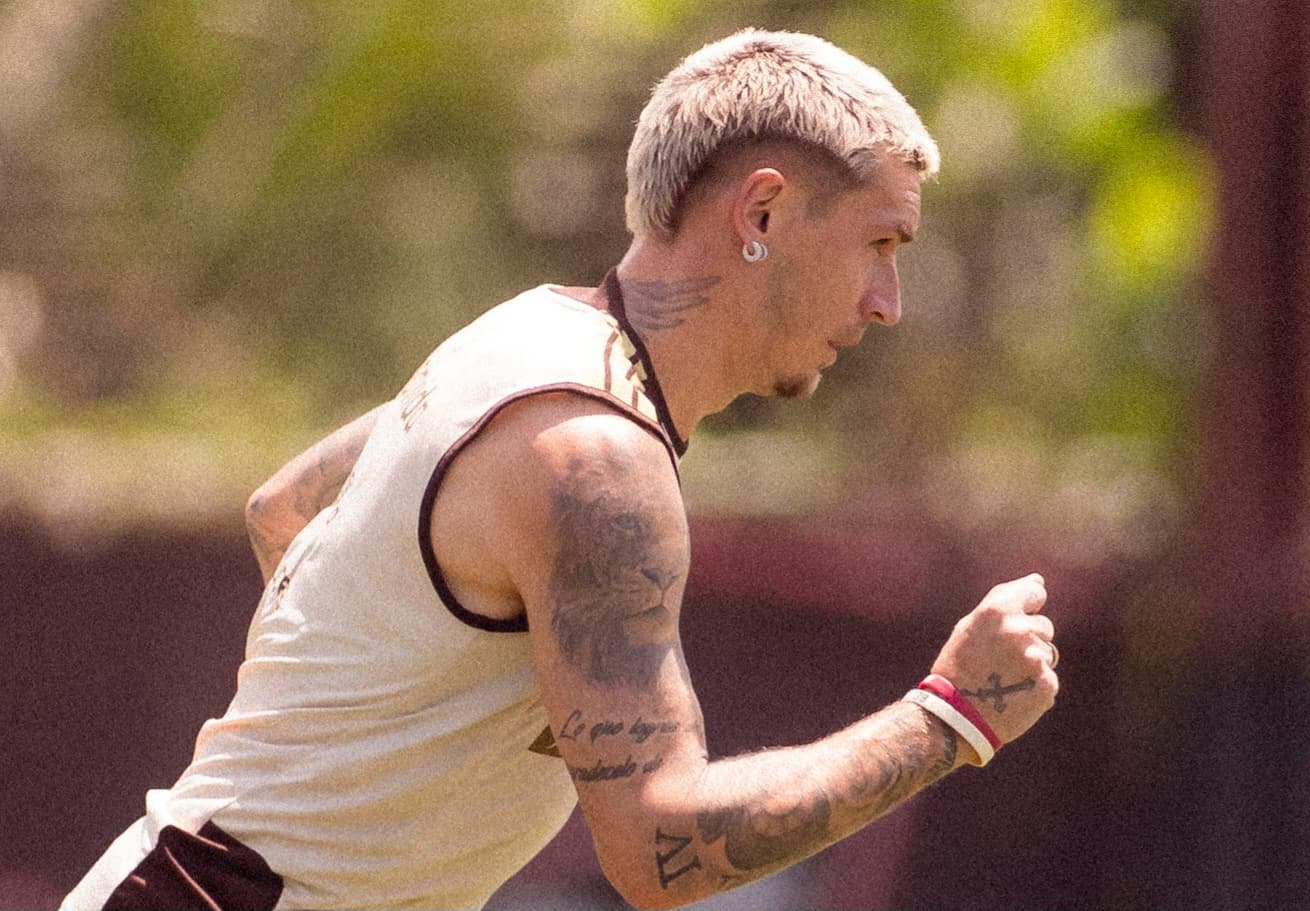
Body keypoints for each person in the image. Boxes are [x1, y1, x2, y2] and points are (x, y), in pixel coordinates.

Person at [61, 27, 1059, 911]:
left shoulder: (526, 333)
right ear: (760, 214)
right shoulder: (596, 459)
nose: (888, 300)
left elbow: (282, 507)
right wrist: (949, 715)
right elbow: (663, 855)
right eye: (879, 242)